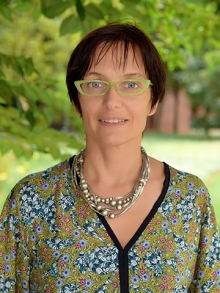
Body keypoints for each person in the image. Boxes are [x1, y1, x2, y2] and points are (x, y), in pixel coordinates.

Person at [0, 22, 219, 293]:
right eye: (95, 83)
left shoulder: (190, 199)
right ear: (76, 99)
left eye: (130, 84)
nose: (112, 100)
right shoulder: (31, 201)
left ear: (154, 99)